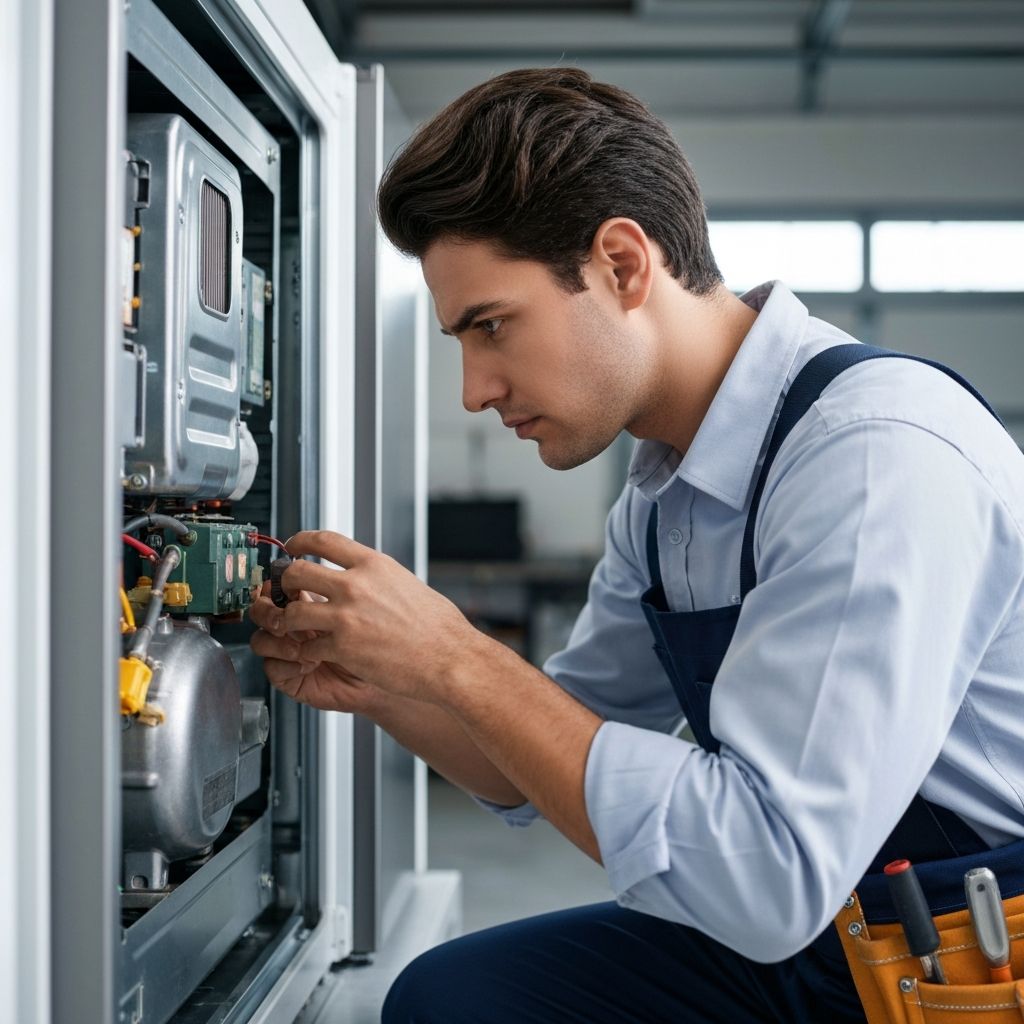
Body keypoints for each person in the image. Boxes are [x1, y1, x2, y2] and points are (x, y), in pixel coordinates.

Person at [249, 68, 1024, 1022]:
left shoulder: (871, 457)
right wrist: (383, 679)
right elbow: (540, 745)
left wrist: (454, 655)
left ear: (622, 265)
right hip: (827, 930)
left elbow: (770, 874)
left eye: (491, 326)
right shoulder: (666, 493)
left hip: (967, 952)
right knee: (451, 999)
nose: (474, 389)